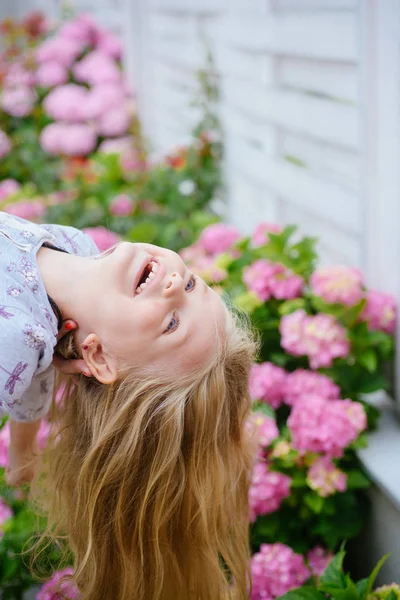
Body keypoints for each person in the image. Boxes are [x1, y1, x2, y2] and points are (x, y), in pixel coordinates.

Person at [0, 211, 257, 600]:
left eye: (172, 324)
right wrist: (21, 455)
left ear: (100, 358)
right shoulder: (75, 253)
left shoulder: (16, 338)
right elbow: (33, 390)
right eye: (191, 284)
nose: (174, 283)